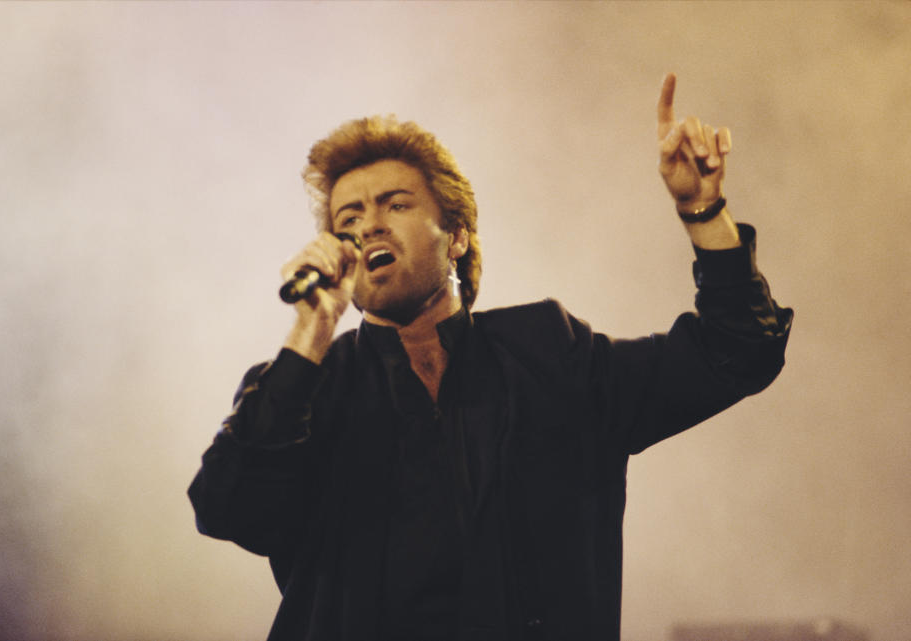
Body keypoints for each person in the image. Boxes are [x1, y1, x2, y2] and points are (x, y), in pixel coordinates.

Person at [188, 73, 793, 641]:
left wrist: (704, 212)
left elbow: (739, 351)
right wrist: (311, 332)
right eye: (349, 218)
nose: (369, 225)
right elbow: (227, 508)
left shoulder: (553, 353)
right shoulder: (304, 387)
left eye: (394, 205)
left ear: (456, 235)